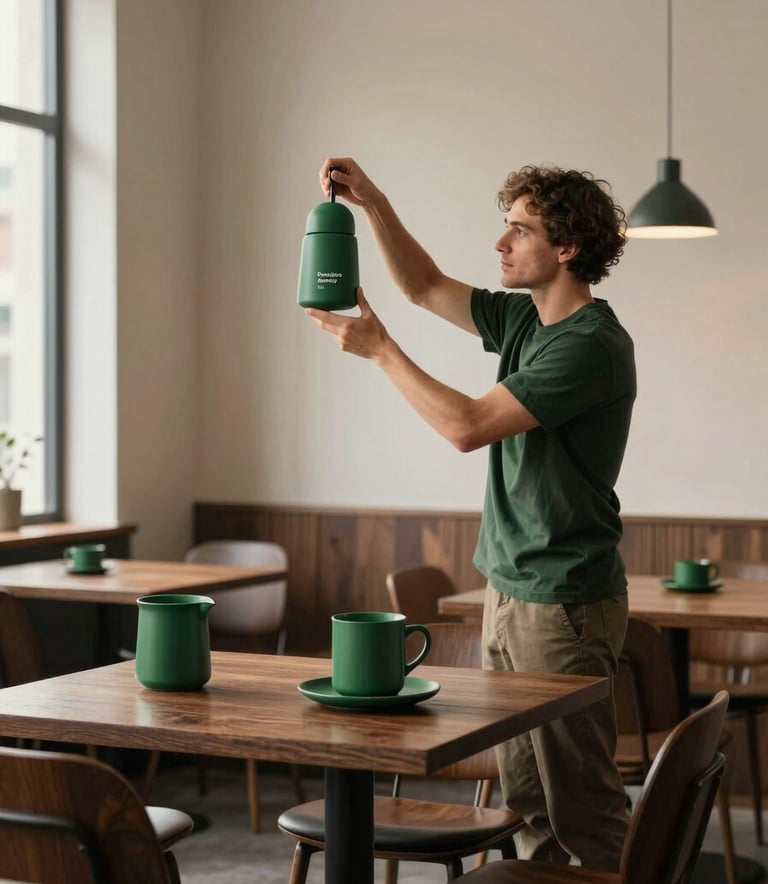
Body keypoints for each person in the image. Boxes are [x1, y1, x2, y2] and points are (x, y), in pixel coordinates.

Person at [304, 157, 636, 871]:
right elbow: (423, 286)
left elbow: (466, 426)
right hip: (510, 590)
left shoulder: (590, 345)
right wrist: (375, 203)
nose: (501, 243)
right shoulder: (523, 320)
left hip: (566, 603)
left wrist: (381, 350)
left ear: (567, 248)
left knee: (583, 805)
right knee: (525, 801)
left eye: (519, 230)